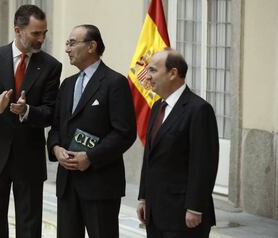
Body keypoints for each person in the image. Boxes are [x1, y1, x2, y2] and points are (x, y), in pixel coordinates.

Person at [0, 4, 62, 238]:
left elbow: (51, 112)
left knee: (29, 226)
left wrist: (28, 111)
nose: (42, 39)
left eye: (44, 33)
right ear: (18, 31)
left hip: (28, 157)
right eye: (36, 33)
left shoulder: (51, 66)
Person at [47, 24, 137, 238]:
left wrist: (90, 157)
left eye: (71, 43)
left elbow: (124, 133)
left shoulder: (115, 83)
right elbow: (56, 128)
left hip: (100, 183)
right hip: (68, 183)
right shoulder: (67, 85)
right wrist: (56, 148)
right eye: (67, 43)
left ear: (92, 46)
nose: (67, 49)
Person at [136, 48, 219, 238]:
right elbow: (150, 156)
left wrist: (195, 207)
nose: (147, 76)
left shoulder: (198, 110)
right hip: (156, 212)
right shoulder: (158, 106)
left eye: (153, 70)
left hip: (183, 214)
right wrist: (143, 197)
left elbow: (204, 163)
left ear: (173, 73)